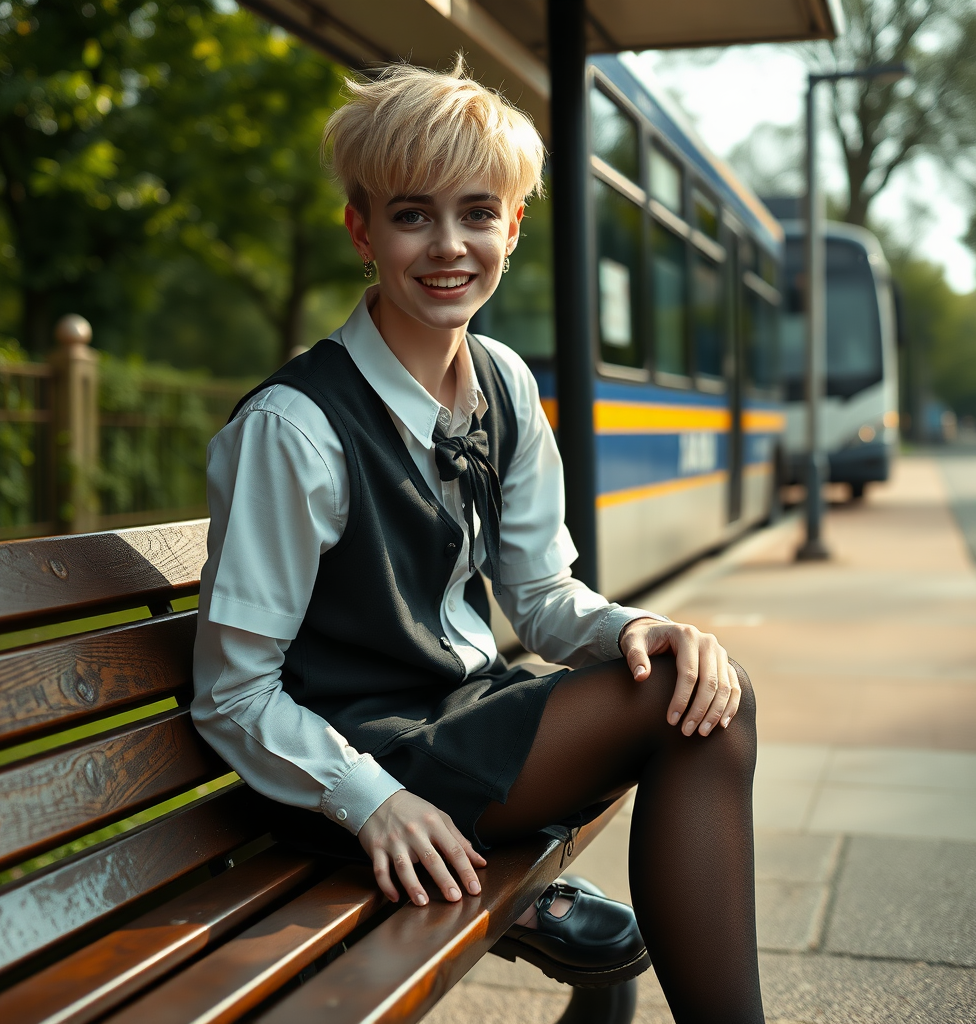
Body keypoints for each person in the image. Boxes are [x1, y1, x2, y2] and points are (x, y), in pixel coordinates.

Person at [192, 58, 764, 1023]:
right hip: (346, 759)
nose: (448, 245)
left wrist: (642, 627)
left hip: (462, 715)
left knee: (702, 686)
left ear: (513, 225)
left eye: (477, 212)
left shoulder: (500, 381)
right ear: (362, 230)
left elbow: (541, 598)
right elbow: (232, 689)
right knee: (697, 707)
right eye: (412, 214)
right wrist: (366, 796)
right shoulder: (296, 428)